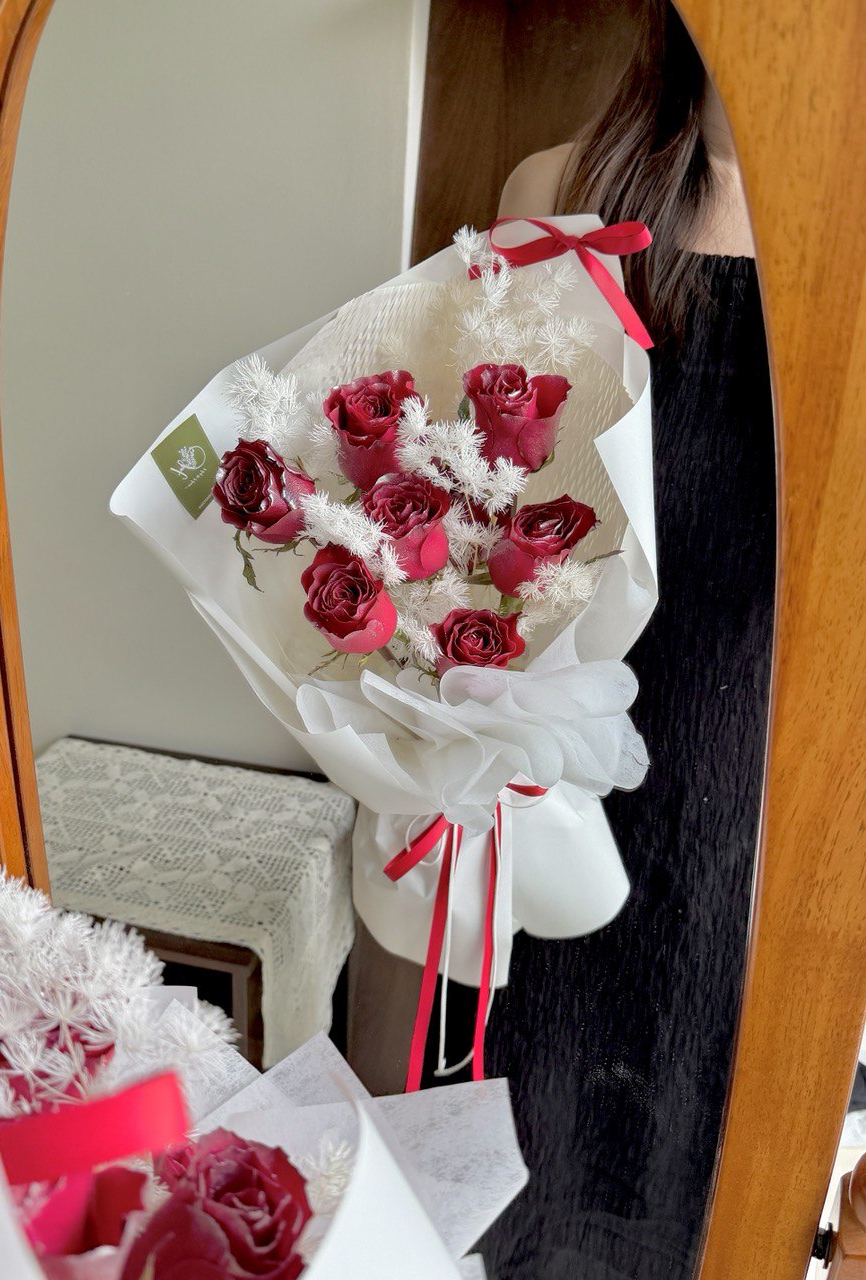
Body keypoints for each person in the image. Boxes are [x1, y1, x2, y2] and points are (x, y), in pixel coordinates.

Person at [476, 3, 776, 1277]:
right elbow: (477, 510)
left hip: (754, 778)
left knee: (702, 1167)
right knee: (521, 1143)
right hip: (559, 752)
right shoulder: (559, 188)